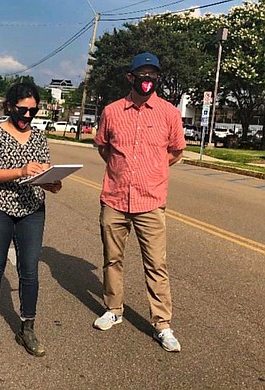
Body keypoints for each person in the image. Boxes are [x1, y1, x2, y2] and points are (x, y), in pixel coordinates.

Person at [92, 52, 185, 352]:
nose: (147, 80)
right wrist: (123, 171)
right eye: (142, 74)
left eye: (152, 75)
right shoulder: (112, 111)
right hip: (115, 198)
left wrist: (151, 171)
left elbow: (176, 151)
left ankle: (162, 325)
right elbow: (103, 146)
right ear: (130, 77)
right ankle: (113, 309)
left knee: (156, 264)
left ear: (157, 78)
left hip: (151, 201)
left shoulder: (169, 113)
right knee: (112, 258)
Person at [0, 82, 62, 357]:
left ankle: (28, 327)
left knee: (30, 269)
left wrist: (52, 183)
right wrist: (22, 170)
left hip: (32, 209)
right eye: (22, 110)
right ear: (10, 106)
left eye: (32, 111)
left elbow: (43, 171)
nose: (27, 116)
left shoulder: (38, 137)